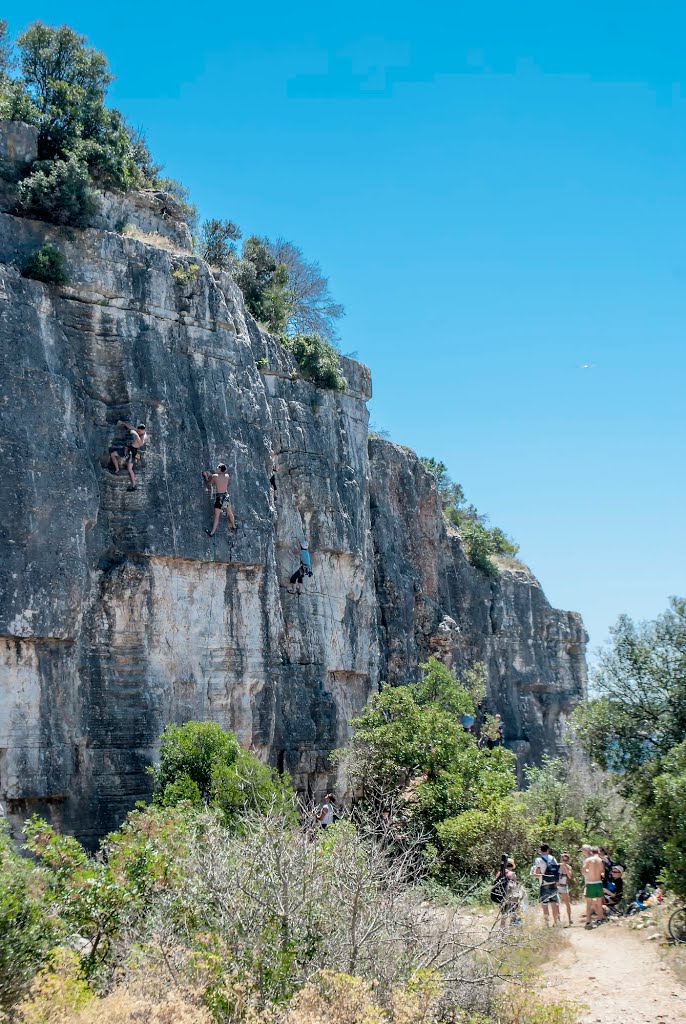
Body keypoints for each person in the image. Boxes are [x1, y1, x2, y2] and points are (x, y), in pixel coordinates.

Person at [109, 421, 147, 491]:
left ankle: (134, 486)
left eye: (139, 430)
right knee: (113, 454)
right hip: (129, 449)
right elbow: (132, 428)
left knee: (129, 469)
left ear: (143, 430)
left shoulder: (143, 437)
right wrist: (124, 423)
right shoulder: (139, 431)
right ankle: (117, 470)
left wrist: (136, 434)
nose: (138, 431)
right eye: (138, 430)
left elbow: (141, 443)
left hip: (133, 453)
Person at [202, 464, 236, 535]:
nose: (216, 468)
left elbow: (209, 483)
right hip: (226, 496)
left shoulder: (215, 476)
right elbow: (219, 478)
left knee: (216, 515)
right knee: (230, 513)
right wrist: (212, 474)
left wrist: (206, 476)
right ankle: (234, 526)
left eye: (218, 468)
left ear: (220, 470)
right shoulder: (227, 476)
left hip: (219, 498)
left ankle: (212, 533)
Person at [532, 843, 561, 926]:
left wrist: (535, 875)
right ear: (548, 850)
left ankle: (547, 923)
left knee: (545, 905)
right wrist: (556, 882)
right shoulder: (553, 858)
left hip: (544, 884)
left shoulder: (538, 860)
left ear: (540, 850)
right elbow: (557, 870)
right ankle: (556, 922)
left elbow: (537, 873)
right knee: (554, 903)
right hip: (553, 883)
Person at [582, 846, 605, 928]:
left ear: (591, 852)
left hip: (590, 883)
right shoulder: (600, 860)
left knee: (589, 903)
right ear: (598, 852)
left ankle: (588, 921)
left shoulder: (588, 860)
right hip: (598, 883)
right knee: (599, 903)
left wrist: (589, 872)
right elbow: (603, 872)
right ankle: (600, 919)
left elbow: (583, 871)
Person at [557, 851, 573, 926]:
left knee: (567, 903)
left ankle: (569, 920)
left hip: (564, 886)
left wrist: (565, 868)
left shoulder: (569, 867)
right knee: (556, 903)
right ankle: (558, 920)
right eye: (563, 859)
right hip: (557, 886)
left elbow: (569, 877)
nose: (564, 861)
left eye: (566, 860)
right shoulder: (557, 866)